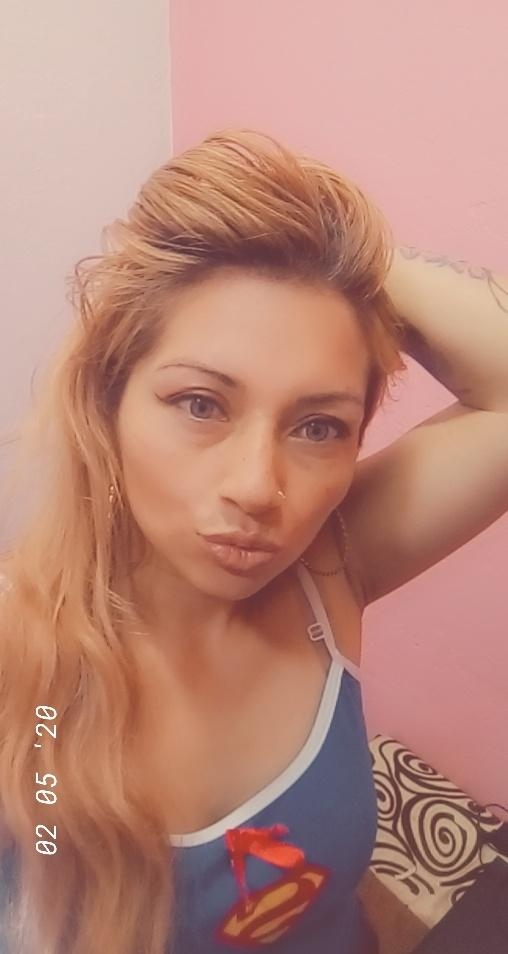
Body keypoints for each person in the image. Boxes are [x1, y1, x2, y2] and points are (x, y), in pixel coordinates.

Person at [0, 128, 507, 954]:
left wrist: (340, 253)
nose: (257, 487)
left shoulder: (328, 572)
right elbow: (41, 849)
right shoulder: (19, 658)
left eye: (318, 426)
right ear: (108, 400)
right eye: (201, 404)